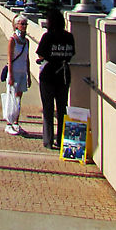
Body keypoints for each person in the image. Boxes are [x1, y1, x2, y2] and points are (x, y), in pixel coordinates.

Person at [36, 8, 76, 150]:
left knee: (48, 109)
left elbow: (41, 55)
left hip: (48, 75)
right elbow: (71, 55)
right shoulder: (69, 37)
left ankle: (47, 140)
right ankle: (61, 140)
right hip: (64, 75)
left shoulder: (47, 37)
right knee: (62, 109)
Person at [5, 16, 32, 135]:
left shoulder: (26, 41)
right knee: (11, 98)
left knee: (18, 99)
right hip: (14, 72)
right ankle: (8, 123)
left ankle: (16, 123)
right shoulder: (13, 40)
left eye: (26, 24)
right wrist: (10, 75)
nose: (24, 26)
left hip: (22, 72)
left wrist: (29, 75)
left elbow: (27, 58)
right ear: (16, 25)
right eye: (22, 24)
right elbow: (9, 59)